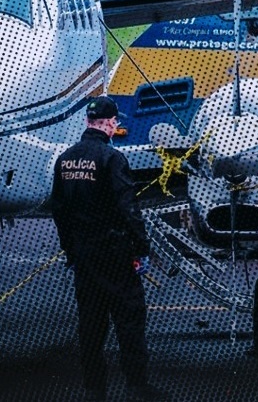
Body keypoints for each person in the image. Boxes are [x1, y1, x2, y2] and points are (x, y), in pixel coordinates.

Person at [49, 96, 169, 402]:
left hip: (84, 255)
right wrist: (141, 248)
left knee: (90, 324)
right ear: (110, 123)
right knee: (129, 320)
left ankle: (94, 389)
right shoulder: (112, 159)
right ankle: (137, 387)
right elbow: (128, 208)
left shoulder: (65, 159)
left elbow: (59, 210)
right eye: (115, 122)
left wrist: (71, 252)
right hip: (115, 254)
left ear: (88, 122)